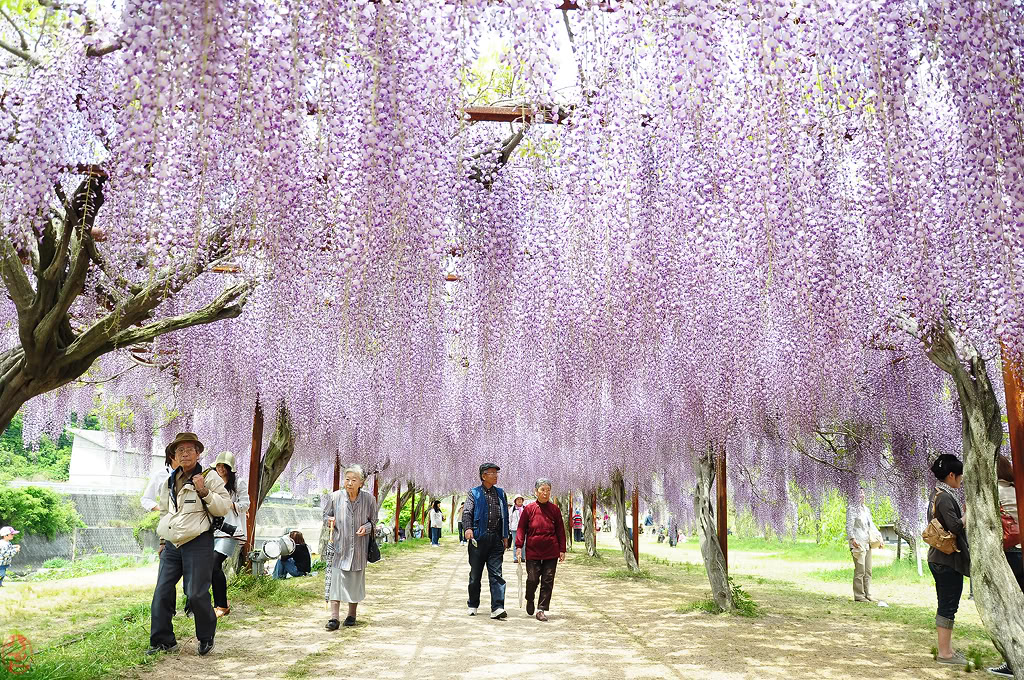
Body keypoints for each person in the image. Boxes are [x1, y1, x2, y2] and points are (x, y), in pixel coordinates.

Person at [148, 432, 232, 656]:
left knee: (195, 593)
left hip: (198, 541)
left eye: (189, 449)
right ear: (174, 455)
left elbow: (224, 506)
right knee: (162, 592)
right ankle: (162, 640)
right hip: (173, 544)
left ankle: (206, 637)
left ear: (198, 453)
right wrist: (163, 540)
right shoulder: (168, 481)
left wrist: (204, 491)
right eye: (180, 450)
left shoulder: (209, 476)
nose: (184, 454)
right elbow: (166, 513)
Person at [927, 453, 970, 667]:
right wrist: (969, 514)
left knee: (947, 604)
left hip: (941, 558)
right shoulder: (944, 496)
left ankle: (947, 649)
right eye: (959, 476)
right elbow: (954, 526)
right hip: (946, 560)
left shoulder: (937, 494)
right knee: (948, 605)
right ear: (951, 475)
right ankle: (945, 654)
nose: (961, 480)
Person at [323, 464, 377, 630]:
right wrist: (329, 520)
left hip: (359, 548)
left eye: (354, 480)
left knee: (354, 584)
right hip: (340, 547)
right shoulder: (335, 497)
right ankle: (334, 618)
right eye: (347, 479)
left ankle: (351, 615)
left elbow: (374, 521)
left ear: (361, 483)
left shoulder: (369, 499)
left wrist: (366, 528)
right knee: (336, 584)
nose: (349, 483)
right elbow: (325, 516)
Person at [987, 456, 1022, 677]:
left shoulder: (994, 492)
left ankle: (1012, 662)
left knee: (1011, 609)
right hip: (1022, 550)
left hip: (1010, 553)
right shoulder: (1017, 489)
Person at [462, 462, 510, 619]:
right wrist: (468, 529)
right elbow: (467, 512)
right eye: (492, 473)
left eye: (496, 473)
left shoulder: (501, 493)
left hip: (495, 539)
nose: (495, 476)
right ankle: (473, 603)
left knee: (496, 574)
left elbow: (505, 516)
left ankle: (497, 607)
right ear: (483, 476)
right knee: (475, 575)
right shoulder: (474, 493)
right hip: (478, 538)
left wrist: (505, 536)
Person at [516, 479, 566, 621]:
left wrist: (562, 549)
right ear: (536, 492)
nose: (545, 493)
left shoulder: (555, 510)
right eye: (542, 490)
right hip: (533, 550)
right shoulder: (529, 509)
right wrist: (519, 546)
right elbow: (521, 529)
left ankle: (541, 609)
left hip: (551, 550)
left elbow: (560, 531)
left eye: (548, 490)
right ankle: (530, 597)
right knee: (532, 578)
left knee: (548, 580)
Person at [210, 451, 249, 618]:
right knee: (211, 568)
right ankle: (220, 604)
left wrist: (228, 504)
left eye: (223, 466)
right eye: (217, 465)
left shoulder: (238, 483)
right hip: (213, 529)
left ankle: (222, 604)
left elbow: (245, 505)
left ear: (229, 468)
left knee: (213, 563)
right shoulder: (212, 482)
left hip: (231, 530)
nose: (220, 468)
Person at [846, 487, 881, 602]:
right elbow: (849, 526)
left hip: (867, 543)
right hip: (858, 543)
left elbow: (871, 525)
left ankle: (868, 594)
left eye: (862, 492)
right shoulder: (851, 508)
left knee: (868, 570)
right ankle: (859, 595)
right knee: (860, 570)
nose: (862, 495)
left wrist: (879, 538)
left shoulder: (866, 509)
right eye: (859, 493)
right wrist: (852, 538)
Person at [509, 496, 525, 562]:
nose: (519, 500)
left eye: (520, 499)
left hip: (523, 529)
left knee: (524, 543)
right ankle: (515, 558)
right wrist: (509, 528)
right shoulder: (512, 509)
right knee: (515, 543)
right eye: (517, 499)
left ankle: (523, 557)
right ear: (515, 501)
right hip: (514, 528)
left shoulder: (525, 508)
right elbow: (509, 518)